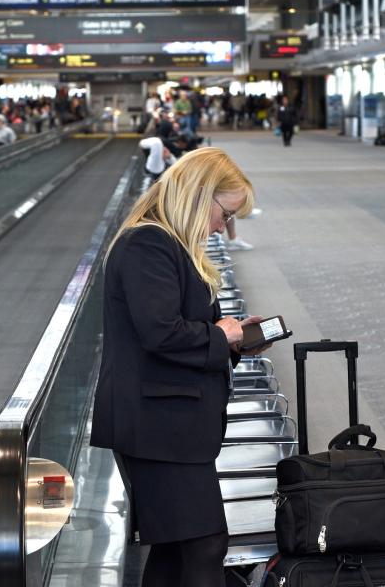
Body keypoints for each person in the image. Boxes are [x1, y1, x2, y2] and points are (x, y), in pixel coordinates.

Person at [90, 148, 267, 587]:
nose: (224, 227)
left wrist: (233, 339)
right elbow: (160, 332)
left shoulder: (172, 244)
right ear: (198, 194)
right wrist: (219, 336)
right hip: (156, 427)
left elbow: (178, 328)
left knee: (176, 549)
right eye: (225, 213)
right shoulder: (148, 243)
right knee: (205, 544)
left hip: (170, 423)